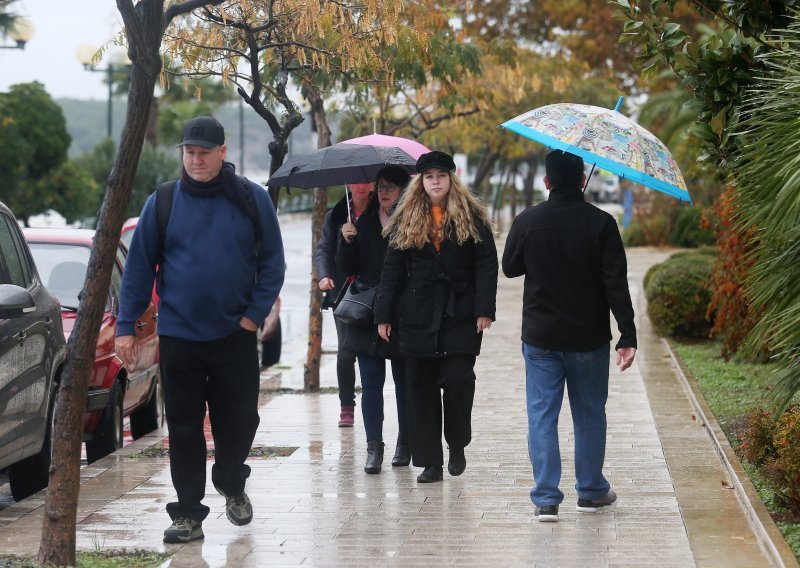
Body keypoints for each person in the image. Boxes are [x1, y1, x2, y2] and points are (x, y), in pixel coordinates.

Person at [115, 116, 285, 543]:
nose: (195, 160)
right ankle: (188, 514)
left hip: (234, 335)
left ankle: (231, 481)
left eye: (204, 152)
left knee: (240, 420)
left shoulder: (251, 199)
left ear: (222, 153)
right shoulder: (164, 201)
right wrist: (125, 327)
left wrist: (252, 315)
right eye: (189, 152)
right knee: (185, 428)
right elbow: (137, 270)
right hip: (180, 337)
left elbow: (273, 265)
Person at [501, 149, 637, 523]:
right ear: (582, 180)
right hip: (589, 338)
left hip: (541, 337)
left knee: (542, 415)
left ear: (546, 182)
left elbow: (510, 267)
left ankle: (546, 499)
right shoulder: (602, 223)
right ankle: (591, 491)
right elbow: (616, 283)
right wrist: (628, 333)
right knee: (590, 414)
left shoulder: (528, 220)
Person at [374, 151, 498, 483]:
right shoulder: (405, 216)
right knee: (420, 388)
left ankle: (457, 444)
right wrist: (383, 314)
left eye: (440, 176)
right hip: (417, 315)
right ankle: (430, 461)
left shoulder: (472, 215)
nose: (435, 182)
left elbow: (487, 263)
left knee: (459, 380)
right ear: (421, 181)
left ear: (451, 178)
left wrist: (484, 308)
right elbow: (392, 271)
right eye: (429, 177)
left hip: (460, 312)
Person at [335, 166, 411, 474]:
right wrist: (346, 240)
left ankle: (405, 442)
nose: (384, 192)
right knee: (370, 385)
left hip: (402, 315)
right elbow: (346, 267)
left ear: (404, 190)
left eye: (391, 187)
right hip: (367, 315)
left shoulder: (411, 225)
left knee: (404, 384)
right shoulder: (362, 223)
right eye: (380, 187)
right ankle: (374, 447)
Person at [315, 182, 373, 427]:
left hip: (372, 291)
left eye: (366, 181)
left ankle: (372, 401)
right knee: (346, 351)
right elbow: (324, 249)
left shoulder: (382, 211)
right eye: (356, 182)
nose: (361, 186)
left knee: (371, 353)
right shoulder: (337, 214)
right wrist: (325, 275)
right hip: (343, 293)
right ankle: (346, 406)